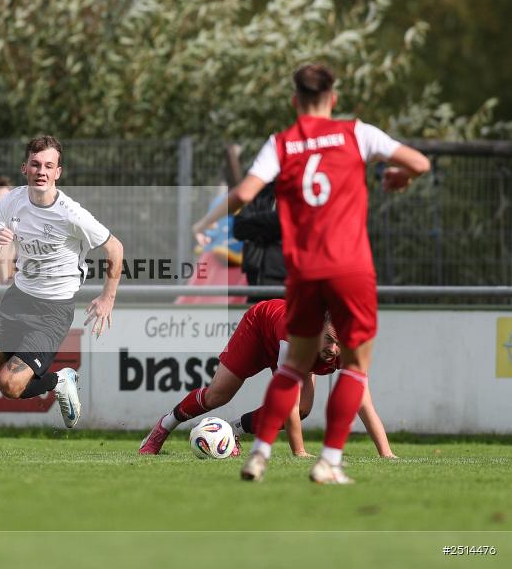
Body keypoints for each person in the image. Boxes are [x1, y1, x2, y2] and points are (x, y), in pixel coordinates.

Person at [192, 64, 429, 483]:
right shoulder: (358, 133)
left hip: (304, 272)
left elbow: (245, 193)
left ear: (294, 101)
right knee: (354, 368)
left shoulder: (282, 143)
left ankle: (260, 453)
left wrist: (208, 220)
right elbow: (420, 162)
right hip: (350, 267)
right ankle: (328, 462)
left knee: (291, 368)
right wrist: (401, 176)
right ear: (333, 99)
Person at [0, 136, 124, 457]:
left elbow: (115, 247)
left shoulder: (72, 214)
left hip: (53, 311)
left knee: (10, 387)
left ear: (58, 172)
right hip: (17, 299)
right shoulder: (10, 202)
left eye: (49, 166)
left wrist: (107, 297)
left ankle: (58, 381)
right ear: (24, 168)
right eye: (36, 164)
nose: (41, 171)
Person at [138, 299, 395, 458]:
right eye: (328, 339)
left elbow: (363, 404)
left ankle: (234, 430)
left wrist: (386, 454)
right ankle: (163, 427)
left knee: (304, 410)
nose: (334, 350)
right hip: (259, 327)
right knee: (218, 395)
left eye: (340, 343)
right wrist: (300, 452)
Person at [233, 181, 285, 302]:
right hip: (257, 283)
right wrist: (272, 221)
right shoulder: (262, 194)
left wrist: (258, 223)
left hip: (287, 283)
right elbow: (239, 228)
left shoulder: (302, 194)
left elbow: (286, 219)